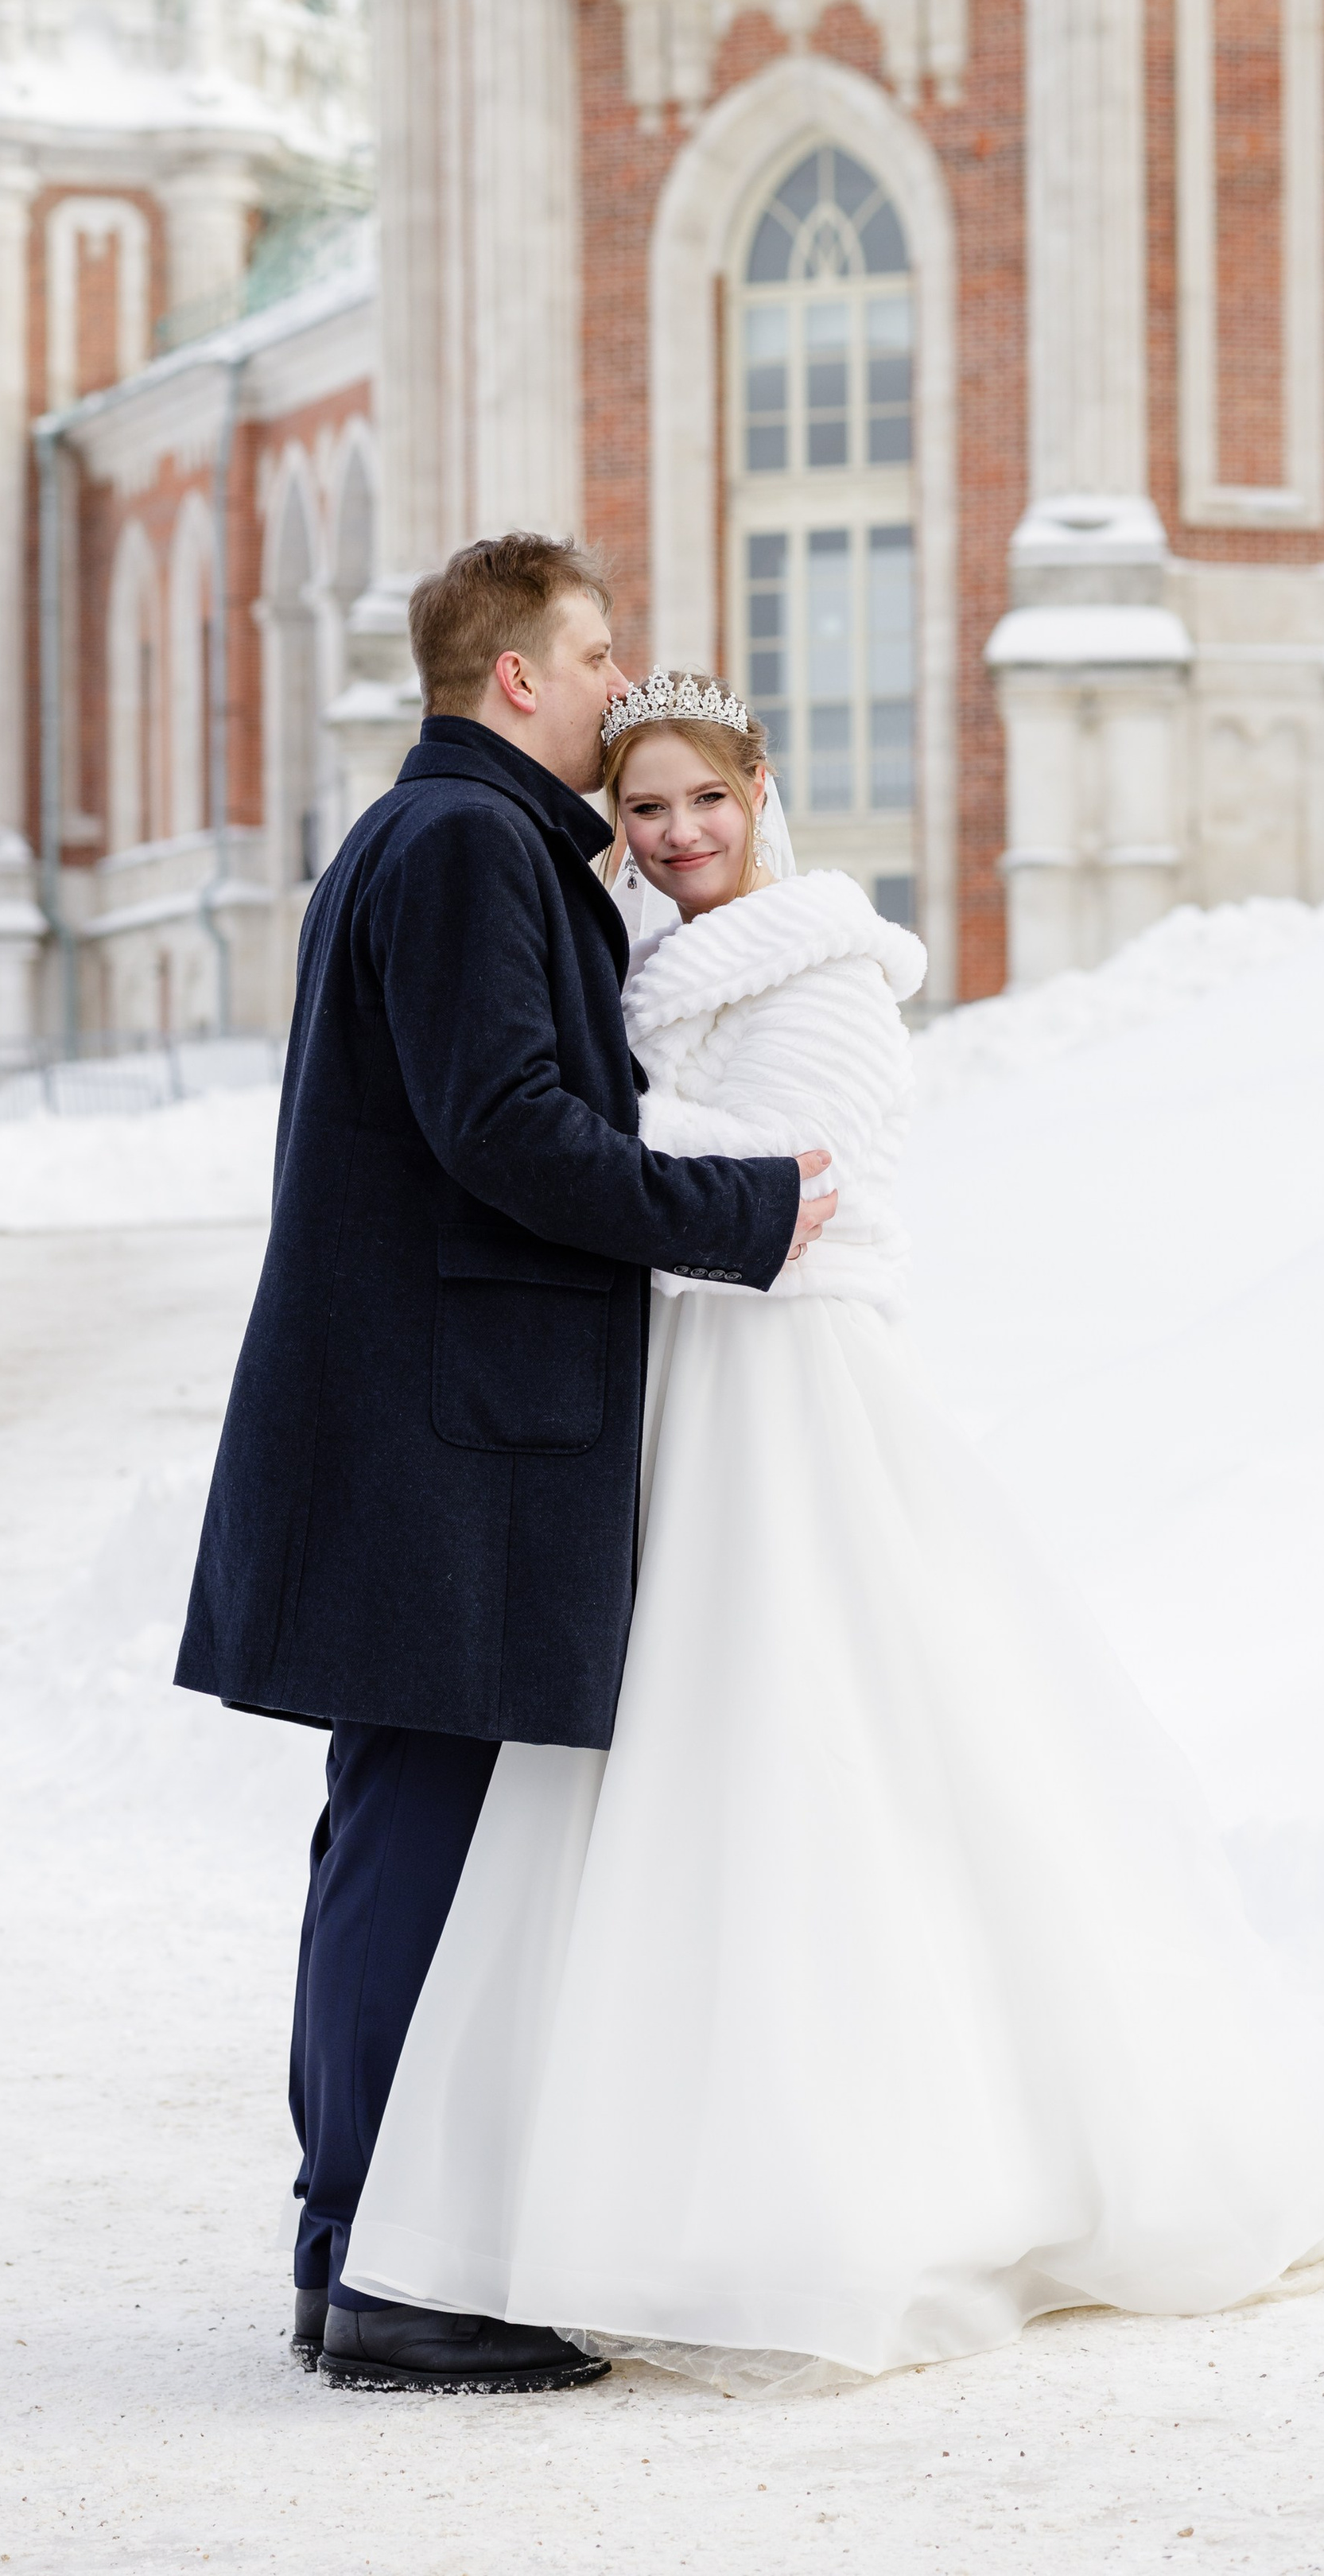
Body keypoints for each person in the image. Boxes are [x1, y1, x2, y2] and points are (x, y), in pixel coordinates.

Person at [338, 671, 1324, 2391]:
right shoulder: (626, 967)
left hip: (778, 1386)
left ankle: (873, 2174)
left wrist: (588, 1135)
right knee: (641, 1796)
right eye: (643, 809)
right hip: (663, 1379)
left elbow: (825, 1178)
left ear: (760, 792)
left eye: (704, 799)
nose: (677, 833)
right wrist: (597, 1144)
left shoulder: (826, 962)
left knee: (809, 1754)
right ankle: (620, 2186)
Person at [174, 546, 839, 2395]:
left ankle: (354, 2245)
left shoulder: (436, 835)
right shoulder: (468, 844)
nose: (618, 677)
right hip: (447, 1432)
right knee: (418, 1842)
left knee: (398, 1828)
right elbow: (509, 1131)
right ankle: (384, 2265)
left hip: (423, 1420)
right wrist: (747, 1207)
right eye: (596, 652)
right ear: (519, 680)